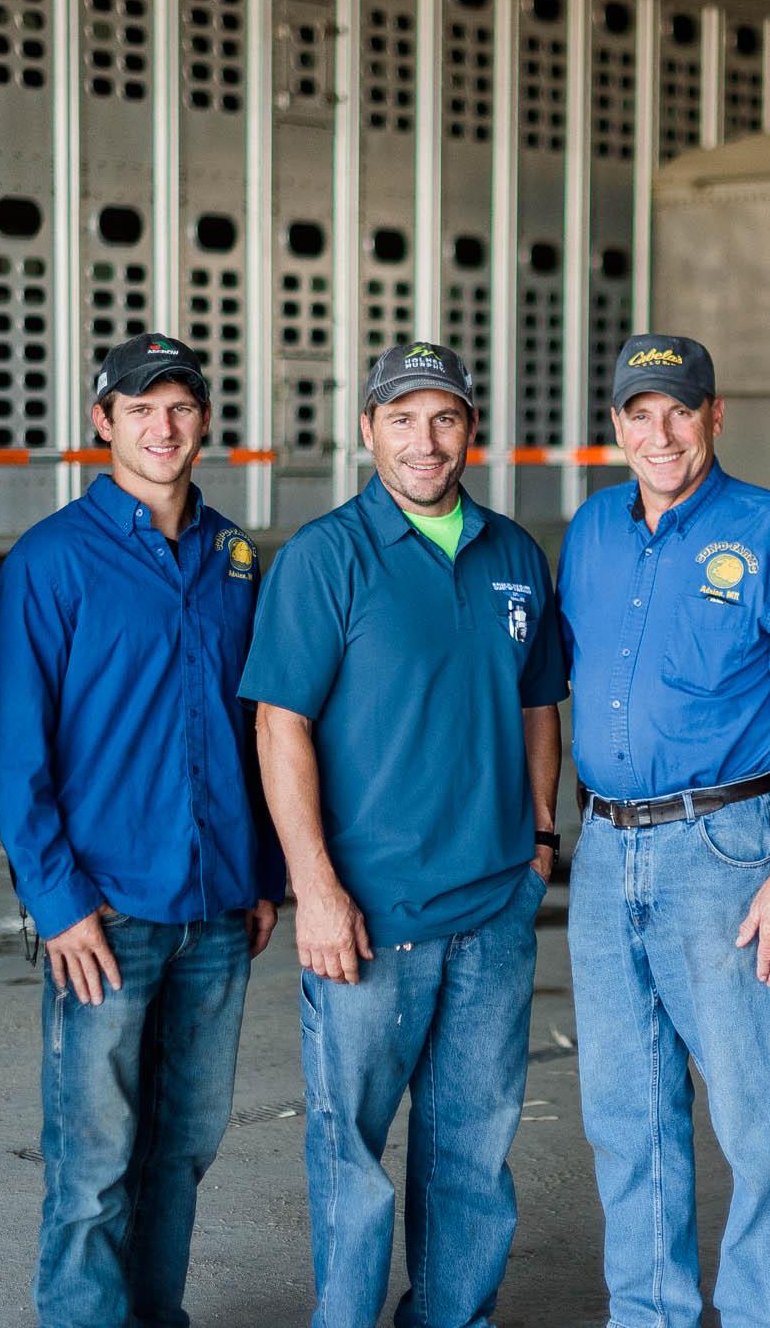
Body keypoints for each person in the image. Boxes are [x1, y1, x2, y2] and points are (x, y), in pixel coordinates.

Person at [239, 341, 567, 1328]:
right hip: (371, 917)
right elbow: (278, 722)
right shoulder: (324, 557)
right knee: (351, 1155)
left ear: (470, 427)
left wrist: (540, 835)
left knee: (470, 1149)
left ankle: (452, 1316)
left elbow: (537, 701)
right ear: (367, 429)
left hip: (494, 909)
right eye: (401, 418)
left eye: (444, 418)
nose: (424, 440)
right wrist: (317, 887)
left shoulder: (512, 553)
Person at [557, 333, 770, 1328]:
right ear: (614, 426)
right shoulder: (591, 531)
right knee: (626, 1111)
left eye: (679, 410)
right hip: (605, 850)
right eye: (639, 413)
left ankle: (759, 1313)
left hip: (722, 847)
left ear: (714, 415)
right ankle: (646, 1311)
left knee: (753, 1113)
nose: (660, 432)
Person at [0, 332, 284, 1328]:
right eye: (139, 406)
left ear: (202, 419)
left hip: (216, 907)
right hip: (104, 914)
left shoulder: (237, 555)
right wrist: (57, 898)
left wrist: (266, 875)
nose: (162, 425)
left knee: (184, 1142)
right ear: (101, 421)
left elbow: (262, 724)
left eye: (181, 405)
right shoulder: (50, 560)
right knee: (92, 1159)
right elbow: (17, 751)